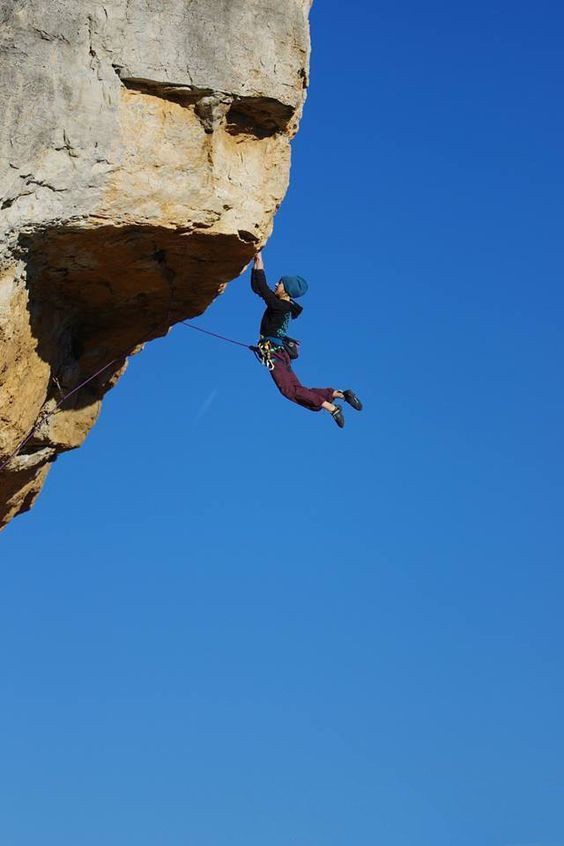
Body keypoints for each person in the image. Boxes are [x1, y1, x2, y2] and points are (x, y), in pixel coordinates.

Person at [251, 251, 362, 428]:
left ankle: (331, 407)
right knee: (296, 391)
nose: (276, 284)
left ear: (286, 290)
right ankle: (339, 394)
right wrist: (255, 263)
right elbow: (258, 288)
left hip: (275, 353)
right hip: (278, 352)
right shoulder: (284, 307)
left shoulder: (280, 306)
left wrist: (260, 261)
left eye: (279, 283)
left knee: (289, 390)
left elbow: (262, 288)